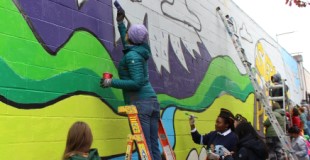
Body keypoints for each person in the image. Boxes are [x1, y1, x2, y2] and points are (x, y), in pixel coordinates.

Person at [100, 9, 161, 159]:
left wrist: (110, 82)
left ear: (131, 38)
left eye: (127, 33)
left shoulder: (133, 56)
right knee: (153, 146)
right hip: (152, 103)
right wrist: (120, 24)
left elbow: (137, 82)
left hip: (141, 104)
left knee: (144, 148)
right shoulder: (141, 50)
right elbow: (129, 45)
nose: (125, 34)